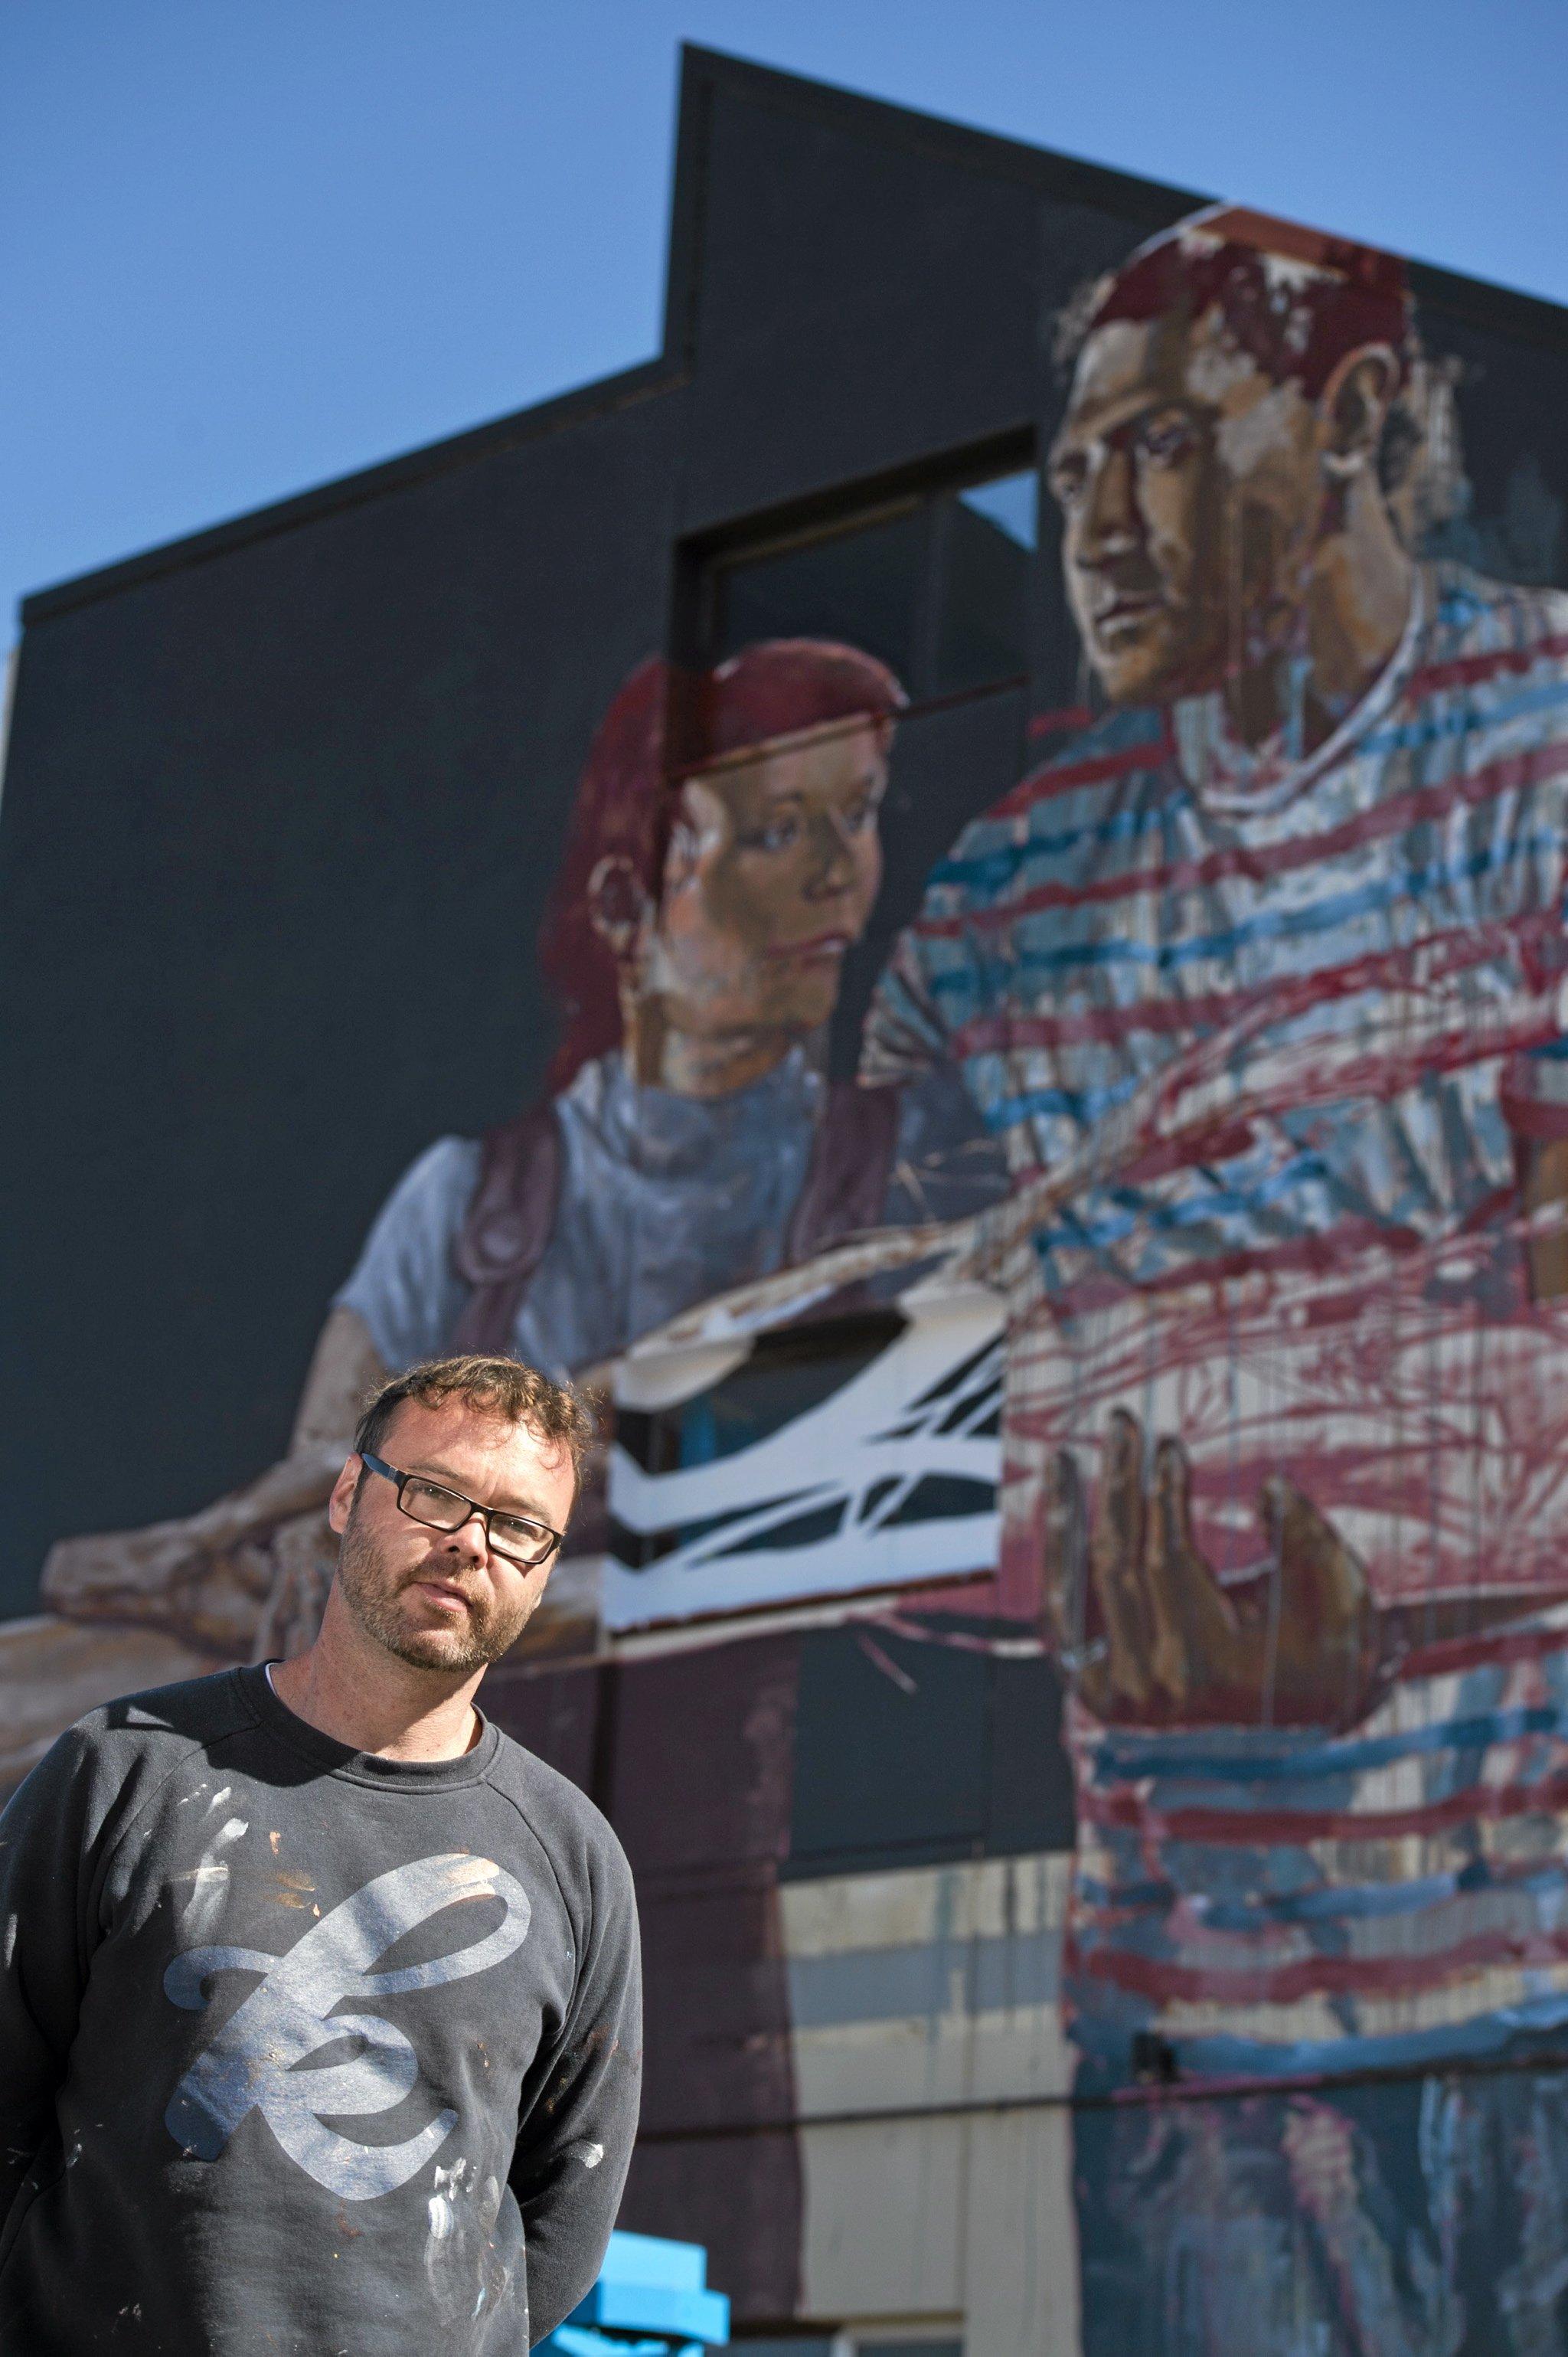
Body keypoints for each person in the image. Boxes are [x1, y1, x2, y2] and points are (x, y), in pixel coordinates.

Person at [862, 204, 1568, 2349]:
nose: (1097, 519)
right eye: (1068, 475)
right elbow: (867, 1428)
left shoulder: (1549, 749)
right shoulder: (1000, 917)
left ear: (1354, 413)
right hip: (1195, 2057)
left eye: (1160, 445)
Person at [38, 641, 1002, 1667]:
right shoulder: (466, 1203)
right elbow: (314, 1538)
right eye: (777, 831)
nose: (835, 874)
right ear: (626, 903)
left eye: (856, 815)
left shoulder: (921, 1161)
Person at [0, 1351, 640, 2355]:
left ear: (546, 1562)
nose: (471, 1542)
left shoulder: (574, 1859)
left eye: (518, 1523)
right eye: (435, 1493)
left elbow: (557, 2227)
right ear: (347, 1494)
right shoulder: (122, 1771)